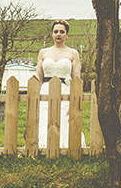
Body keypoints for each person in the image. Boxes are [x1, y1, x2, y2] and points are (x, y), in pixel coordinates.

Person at [36, 19, 83, 148]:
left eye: (62, 32)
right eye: (55, 31)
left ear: (67, 34)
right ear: (52, 34)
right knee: (45, 118)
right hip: (46, 90)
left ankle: (64, 146)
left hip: (65, 90)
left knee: (64, 118)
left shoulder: (73, 53)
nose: (58, 34)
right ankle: (43, 146)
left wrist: (74, 100)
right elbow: (38, 77)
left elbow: (76, 79)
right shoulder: (43, 53)